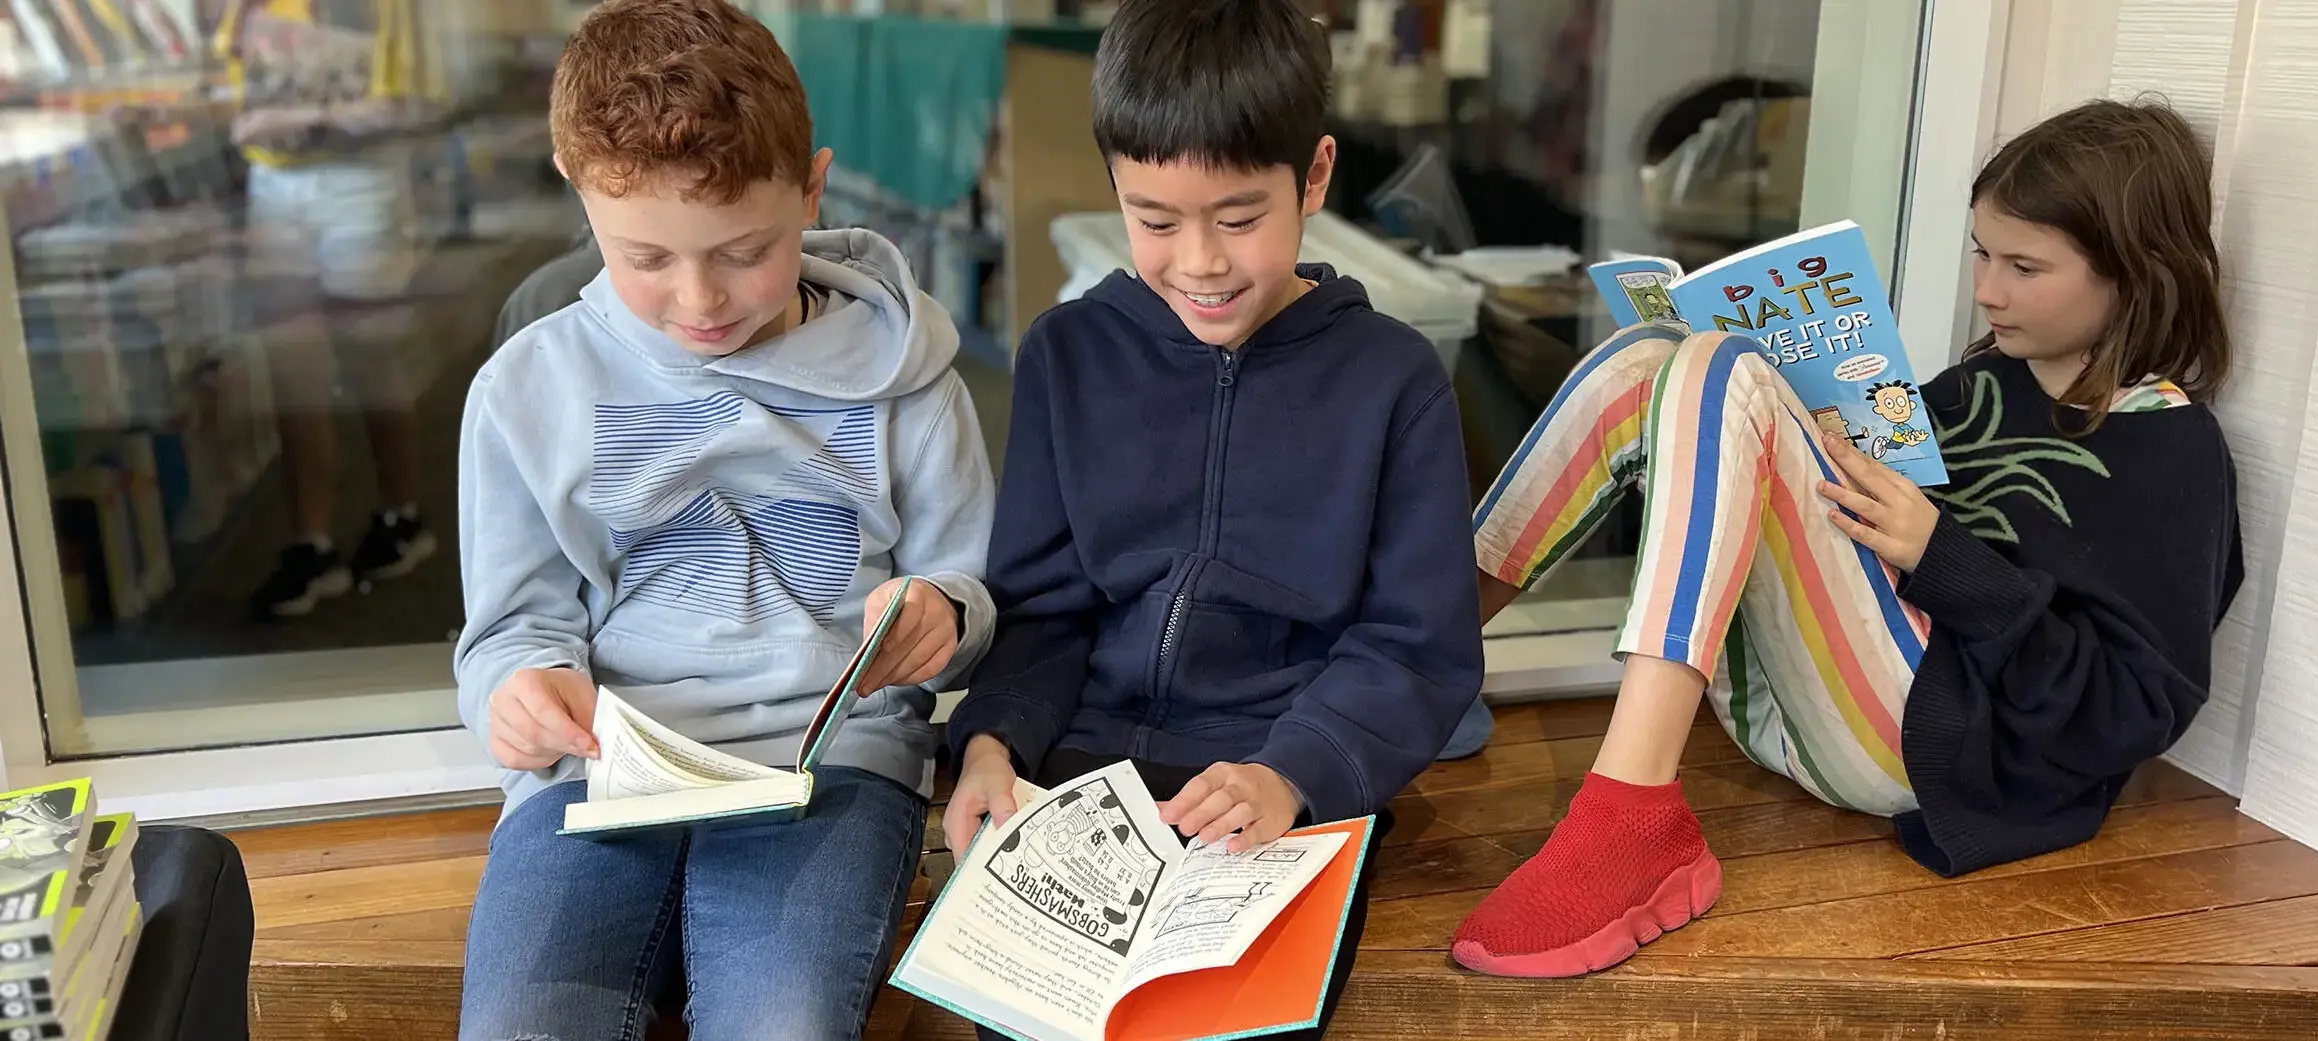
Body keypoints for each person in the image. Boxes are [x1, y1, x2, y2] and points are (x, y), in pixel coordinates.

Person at [1448, 97, 2244, 978]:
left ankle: (1628, 822)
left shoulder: (2170, 445)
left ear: (2135, 274)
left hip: (1941, 754)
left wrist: (1941, 557)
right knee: (1646, 356)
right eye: (1982, 251)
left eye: (2025, 265)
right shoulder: (1982, 380)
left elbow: (2138, 705)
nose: (1987, 289)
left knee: (1724, 369)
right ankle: (1420, 657)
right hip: (1808, 707)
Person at [449, 2, 998, 1036]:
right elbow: (509, 631)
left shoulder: (909, 381)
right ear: (580, 192)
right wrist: (517, 695)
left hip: (826, 770)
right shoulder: (526, 389)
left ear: (813, 188)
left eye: (746, 250)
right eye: (645, 257)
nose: (699, 298)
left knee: (783, 1023)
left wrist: (942, 616)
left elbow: (969, 599)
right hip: (600, 776)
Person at [939, 0, 1484, 1034]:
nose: (1198, 262)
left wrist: (1295, 771)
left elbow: (1416, 649)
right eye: (1154, 220)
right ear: (1114, 186)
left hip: (1278, 786)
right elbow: (1040, 608)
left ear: (1315, 177)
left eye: (1238, 218)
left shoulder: (1395, 383)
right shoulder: (1068, 354)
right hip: (1079, 784)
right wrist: (989, 743)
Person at [222, 0, 448, 617]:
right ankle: (310, 544)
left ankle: (401, 515)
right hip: (274, 186)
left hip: (361, 181)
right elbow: (232, 82)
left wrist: (297, 115)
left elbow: (413, 104)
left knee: (371, 359)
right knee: (295, 372)